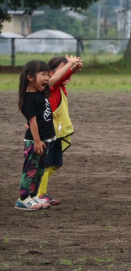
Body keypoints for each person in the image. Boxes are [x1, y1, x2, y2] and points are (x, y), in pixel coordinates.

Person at [15, 57, 81, 211]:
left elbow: (57, 77)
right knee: (30, 170)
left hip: (47, 139)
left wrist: (71, 67)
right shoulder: (29, 98)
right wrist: (37, 141)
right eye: (43, 75)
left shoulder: (43, 92)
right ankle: (23, 199)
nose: (47, 78)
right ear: (30, 78)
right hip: (35, 141)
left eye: (47, 75)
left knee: (40, 170)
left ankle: (34, 196)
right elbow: (32, 122)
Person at [36, 55, 83, 206]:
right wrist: (70, 66)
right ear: (50, 73)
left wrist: (72, 70)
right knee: (45, 164)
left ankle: (36, 186)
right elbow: (55, 80)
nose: (66, 71)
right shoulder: (52, 87)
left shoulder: (60, 87)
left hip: (58, 132)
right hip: (49, 132)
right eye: (62, 69)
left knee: (56, 164)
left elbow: (61, 78)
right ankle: (39, 193)